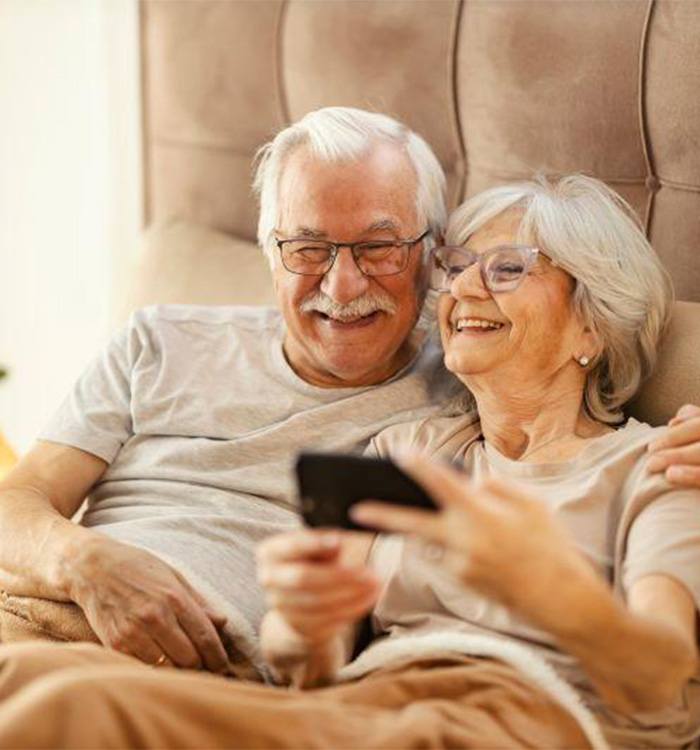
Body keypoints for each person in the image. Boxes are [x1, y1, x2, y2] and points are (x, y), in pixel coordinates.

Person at [0, 175, 696, 749]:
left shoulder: (652, 466)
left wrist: (547, 590)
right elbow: (311, 659)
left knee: (70, 711)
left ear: (593, 324)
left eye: (508, 268)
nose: (464, 290)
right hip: (365, 704)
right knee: (45, 693)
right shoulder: (412, 450)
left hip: (522, 719)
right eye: (455, 268)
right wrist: (302, 624)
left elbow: (665, 678)